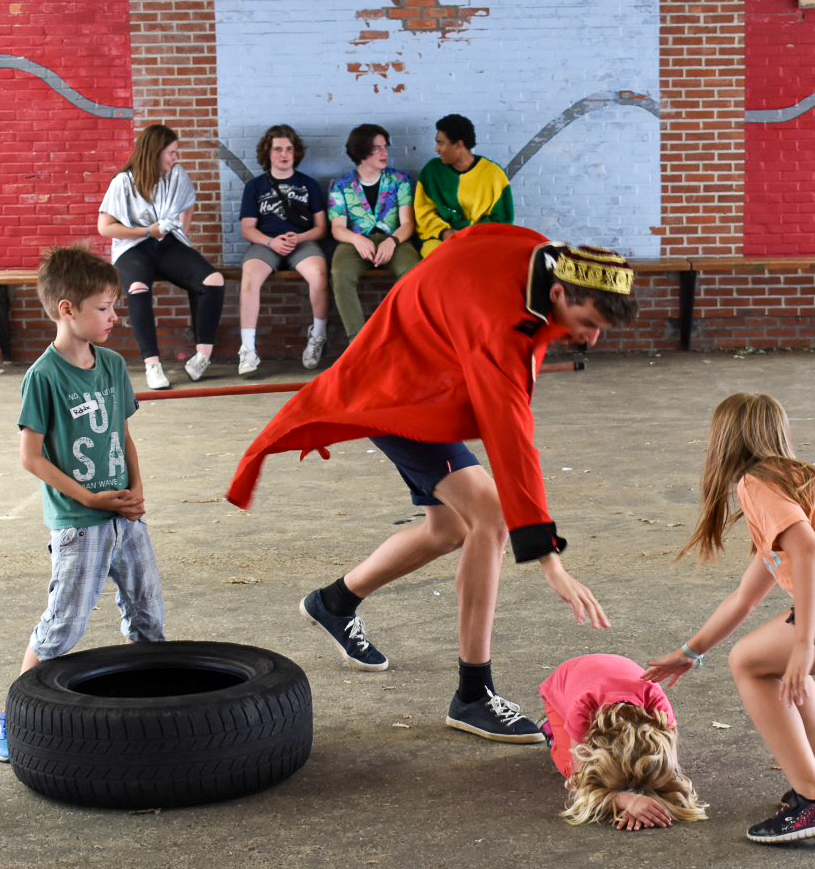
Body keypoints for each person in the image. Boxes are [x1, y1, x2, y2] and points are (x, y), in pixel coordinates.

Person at [227, 226, 638, 741]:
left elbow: (466, 238)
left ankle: (334, 603)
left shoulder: (540, 251)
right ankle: (472, 695)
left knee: (448, 529)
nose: (590, 339)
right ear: (559, 292)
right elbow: (512, 442)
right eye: (587, 323)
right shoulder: (500, 325)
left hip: (426, 371)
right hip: (399, 392)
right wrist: (547, 558)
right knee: (489, 514)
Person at [644, 393, 815, 844]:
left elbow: (809, 551)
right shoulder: (802, 481)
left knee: (748, 662)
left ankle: (813, 804)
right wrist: (689, 653)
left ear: (723, 441)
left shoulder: (758, 483)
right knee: (766, 660)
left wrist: (804, 645)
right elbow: (744, 597)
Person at [0, 245, 165, 763]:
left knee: (148, 616)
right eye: (104, 308)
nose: (115, 317)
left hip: (124, 518)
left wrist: (137, 491)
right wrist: (88, 496)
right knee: (62, 626)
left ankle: (148, 709)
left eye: (114, 306)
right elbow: (30, 456)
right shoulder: (43, 376)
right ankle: (14, 718)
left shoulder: (111, 364)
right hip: (79, 522)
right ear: (67, 309)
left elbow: (122, 433)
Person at [98, 123, 225, 388]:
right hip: (132, 247)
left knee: (213, 281)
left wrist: (181, 232)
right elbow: (105, 227)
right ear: (155, 152)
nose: (175, 158)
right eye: (171, 152)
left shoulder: (176, 175)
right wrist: (147, 230)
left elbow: (188, 202)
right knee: (137, 287)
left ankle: (202, 356)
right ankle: (152, 364)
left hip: (167, 244)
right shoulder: (124, 182)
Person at [538, 653, 707, 830]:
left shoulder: (660, 710)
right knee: (570, 769)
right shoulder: (583, 709)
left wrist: (642, 802)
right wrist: (622, 800)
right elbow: (579, 784)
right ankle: (551, 730)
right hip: (562, 685)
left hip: (603, 676)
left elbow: (672, 772)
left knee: (655, 775)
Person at [237, 124, 329, 375]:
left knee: (320, 274)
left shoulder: (308, 184)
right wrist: (270, 242)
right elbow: (247, 228)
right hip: (266, 243)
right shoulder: (255, 187)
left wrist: (299, 237)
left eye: (288, 149)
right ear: (268, 153)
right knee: (249, 279)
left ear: (295, 152)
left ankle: (317, 337)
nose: (284, 154)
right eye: (277, 149)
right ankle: (248, 350)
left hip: (302, 241)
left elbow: (321, 228)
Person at [328, 124, 419, 339]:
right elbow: (337, 228)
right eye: (377, 148)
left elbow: (408, 224)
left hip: (395, 241)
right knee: (340, 274)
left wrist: (392, 241)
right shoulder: (341, 185)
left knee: (413, 273)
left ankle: (406, 337)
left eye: (385, 147)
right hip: (355, 241)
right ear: (361, 151)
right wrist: (356, 239)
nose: (384, 152)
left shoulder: (400, 180)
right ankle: (358, 343)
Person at [414, 114, 513, 259]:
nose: (436, 149)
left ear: (459, 145)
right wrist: (444, 232)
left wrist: (470, 234)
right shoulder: (431, 171)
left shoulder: (494, 174)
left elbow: (503, 219)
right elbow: (423, 212)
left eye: (441, 143)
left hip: (482, 239)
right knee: (438, 256)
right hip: (439, 238)